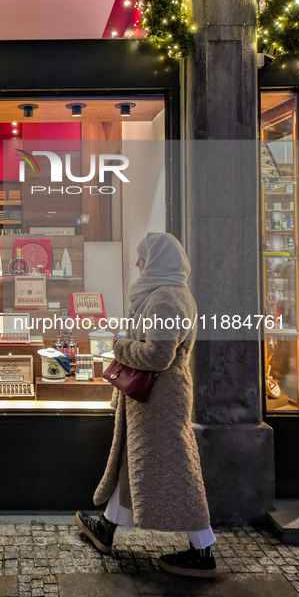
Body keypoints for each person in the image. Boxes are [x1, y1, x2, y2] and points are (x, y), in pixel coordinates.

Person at [75, 232, 216, 578]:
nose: (138, 264)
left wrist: (120, 345)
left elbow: (158, 354)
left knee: (177, 468)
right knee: (133, 461)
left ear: (156, 260)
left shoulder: (165, 299)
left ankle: (203, 549)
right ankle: (107, 527)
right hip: (152, 401)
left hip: (159, 402)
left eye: (142, 257)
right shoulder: (166, 294)